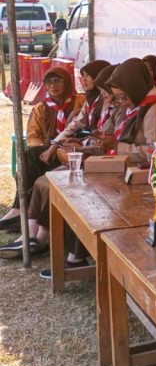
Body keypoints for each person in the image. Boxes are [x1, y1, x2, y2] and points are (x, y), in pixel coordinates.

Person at [0, 67, 84, 252]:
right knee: (31, 155)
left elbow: (77, 129)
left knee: (30, 159)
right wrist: (44, 149)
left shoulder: (80, 102)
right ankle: (23, 217)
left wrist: (53, 148)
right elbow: (33, 136)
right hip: (48, 153)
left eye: (57, 81)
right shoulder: (41, 107)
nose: (53, 86)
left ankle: (20, 212)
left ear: (66, 82)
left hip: (69, 153)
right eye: (49, 82)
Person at [108, 58, 156, 166]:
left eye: (124, 97)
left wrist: (118, 147)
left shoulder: (155, 110)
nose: (123, 103)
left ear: (136, 88)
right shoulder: (134, 107)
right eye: (118, 98)